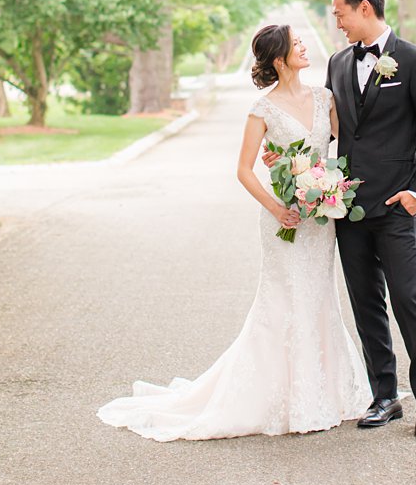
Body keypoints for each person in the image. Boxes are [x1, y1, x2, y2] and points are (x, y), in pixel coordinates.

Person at [98, 25, 372, 440]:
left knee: (318, 296)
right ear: (279, 59)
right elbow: (244, 170)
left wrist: (328, 189)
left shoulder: (324, 98)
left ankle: (325, 390)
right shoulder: (262, 110)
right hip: (284, 222)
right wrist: (278, 207)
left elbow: (344, 144)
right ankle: (283, 397)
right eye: (296, 44)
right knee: (287, 298)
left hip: (319, 220)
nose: (303, 47)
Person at [319, 0, 416, 437]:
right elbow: (332, 130)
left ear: (365, 9)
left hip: (397, 206)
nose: (337, 23)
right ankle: (384, 395)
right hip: (348, 207)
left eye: (340, 14)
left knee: (409, 301)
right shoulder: (336, 63)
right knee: (366, 304)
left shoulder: (414, 61)